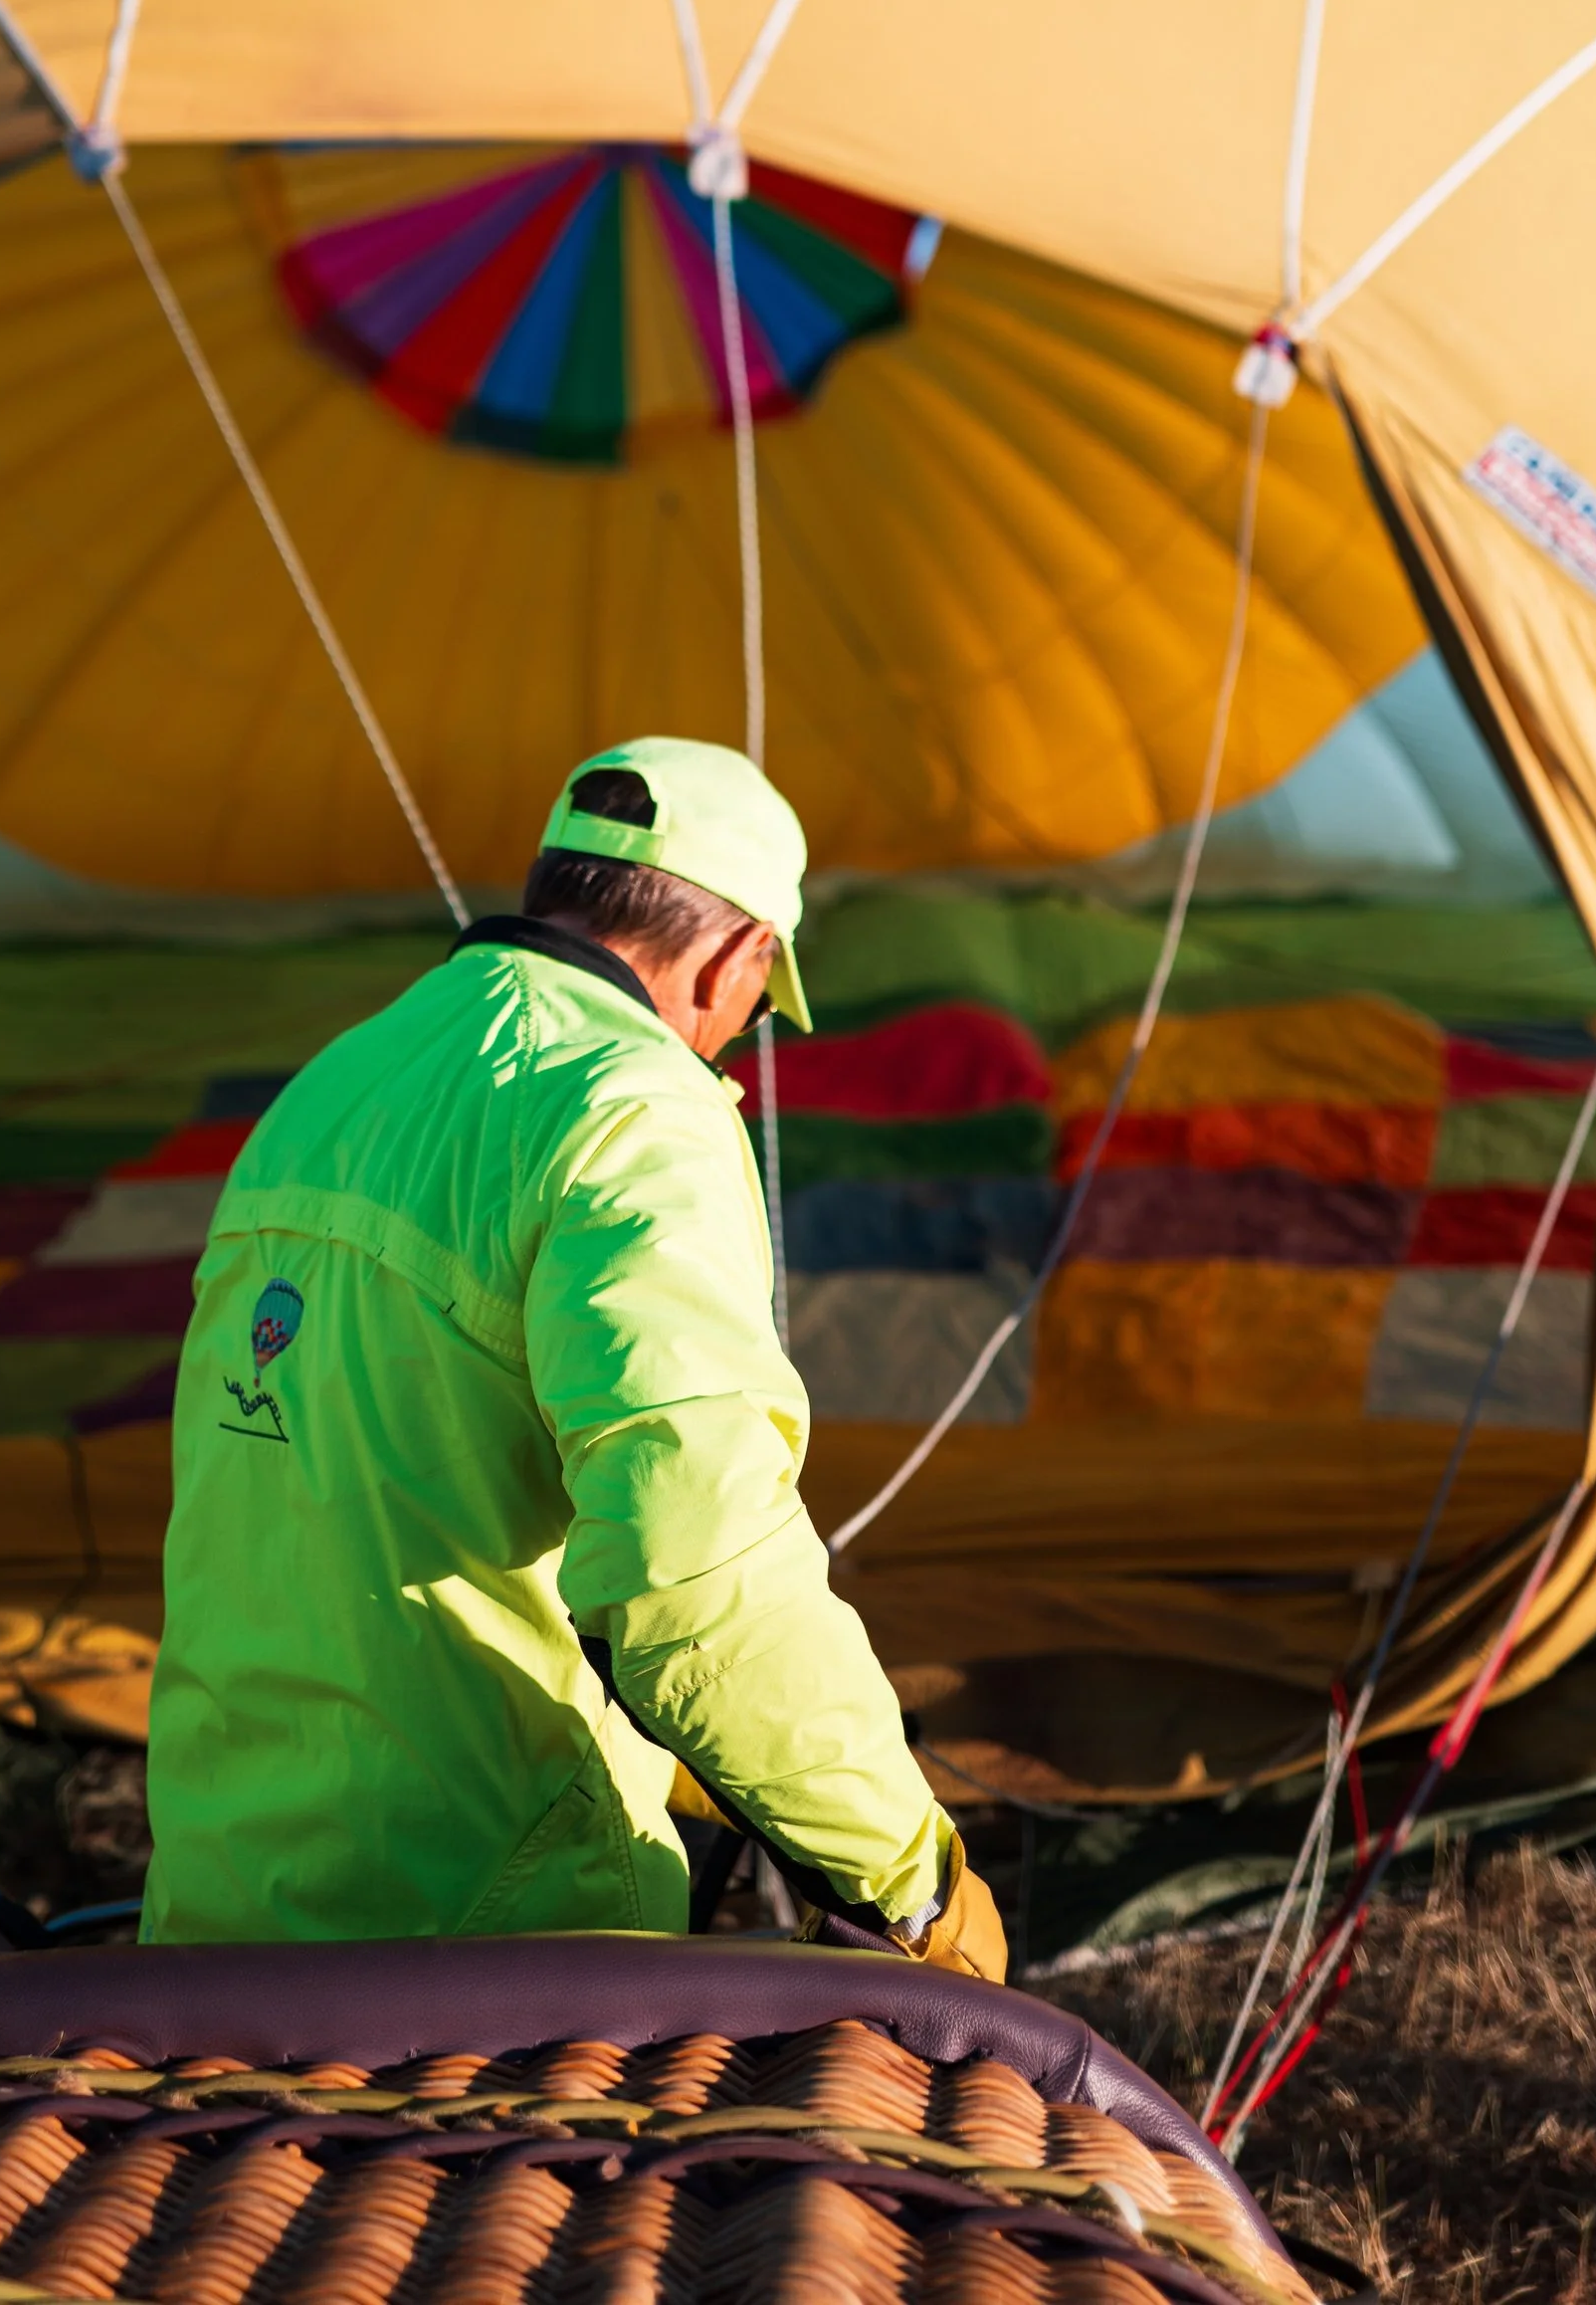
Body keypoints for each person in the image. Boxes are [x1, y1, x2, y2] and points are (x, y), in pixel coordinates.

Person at [141, 734, 1004, 1974]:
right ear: (736, 955)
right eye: (759, 1004)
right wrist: (906, 1877)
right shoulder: (633, 1109)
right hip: (493, 1932)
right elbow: (690, 1570)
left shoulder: (333, 1083)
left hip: (223, 1906)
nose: (734, 1038)